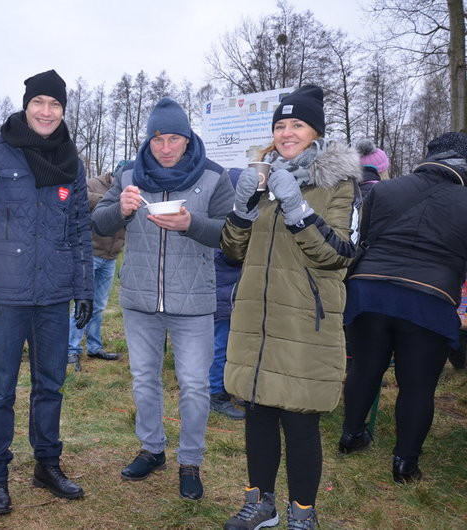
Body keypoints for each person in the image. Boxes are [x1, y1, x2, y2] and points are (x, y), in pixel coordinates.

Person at [221, 85, 361, 530]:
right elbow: (231, 250)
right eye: (280, 125)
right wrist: (243, 210)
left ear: (315, 132)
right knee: (258, 414)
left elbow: (339, 253)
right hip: (257, 320)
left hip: (305, 320)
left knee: (299, 422)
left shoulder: (338, 184)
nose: (286, 133)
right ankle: (261, 503)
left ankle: (303, 511)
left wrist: (298, 207)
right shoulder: (263, 179)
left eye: (296, 124)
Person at [0, 70, 94, 516]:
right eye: (39, 102)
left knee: (50, 385)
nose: (46, 111)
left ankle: (47, 465)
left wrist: (84, 287)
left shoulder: (71, 162)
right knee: (0, 390)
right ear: (26, 105)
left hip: (53, 294)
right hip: (7, 295)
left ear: (63, 110)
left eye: (55, 105)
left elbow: (78, 230)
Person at [92, 97, 235, 500]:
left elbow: (231, 235)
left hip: (194, 303)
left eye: (175, 138)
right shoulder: (127, 175)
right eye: (159, 138)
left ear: (187, 140)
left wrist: (192, 224)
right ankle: (152, 449)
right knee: (143, 380)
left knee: (192, 384)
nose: (167, 147)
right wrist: (119, 209)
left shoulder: (213, 177)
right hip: (140, 299)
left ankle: (190, 461)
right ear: (148, 139)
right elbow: (99, 223)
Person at [339, 132, 467, 484]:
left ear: (429, 155)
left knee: (364, 368)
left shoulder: (383, 189)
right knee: (417, 386)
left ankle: (351, 436)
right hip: (429, 298)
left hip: (368, 290)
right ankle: (404, 463)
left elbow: (363, 240)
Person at [66, 160, 130, 371]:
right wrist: (111, 203)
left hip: (110, 257)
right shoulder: (93, 184)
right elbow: (77, 196)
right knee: (82, 303)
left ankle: (94, 347)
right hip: (89, 254)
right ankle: (71, 350)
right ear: (114, 175)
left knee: (99, 305)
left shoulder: (128, 190)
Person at [210, 168, 245, 421]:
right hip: (222, 293)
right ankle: (215, 393)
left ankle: (230, 387)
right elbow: (229, 255)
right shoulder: (227, 218)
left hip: (235, 294)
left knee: (234, 346)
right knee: (219, 346)